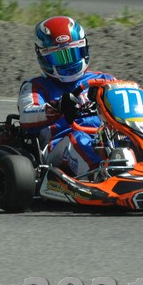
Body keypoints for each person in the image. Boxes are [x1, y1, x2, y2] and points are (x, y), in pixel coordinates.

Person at [17, 16, 115, 177]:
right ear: (44, 57)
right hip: (60, 146)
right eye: (59, 57)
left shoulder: (104, 80)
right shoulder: (36, 86)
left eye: (73, 53)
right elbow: (27, 115)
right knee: (78, 139)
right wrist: (58, 107)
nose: (68, 63)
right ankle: (101, 178)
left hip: (104, 139)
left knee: (139, 134)